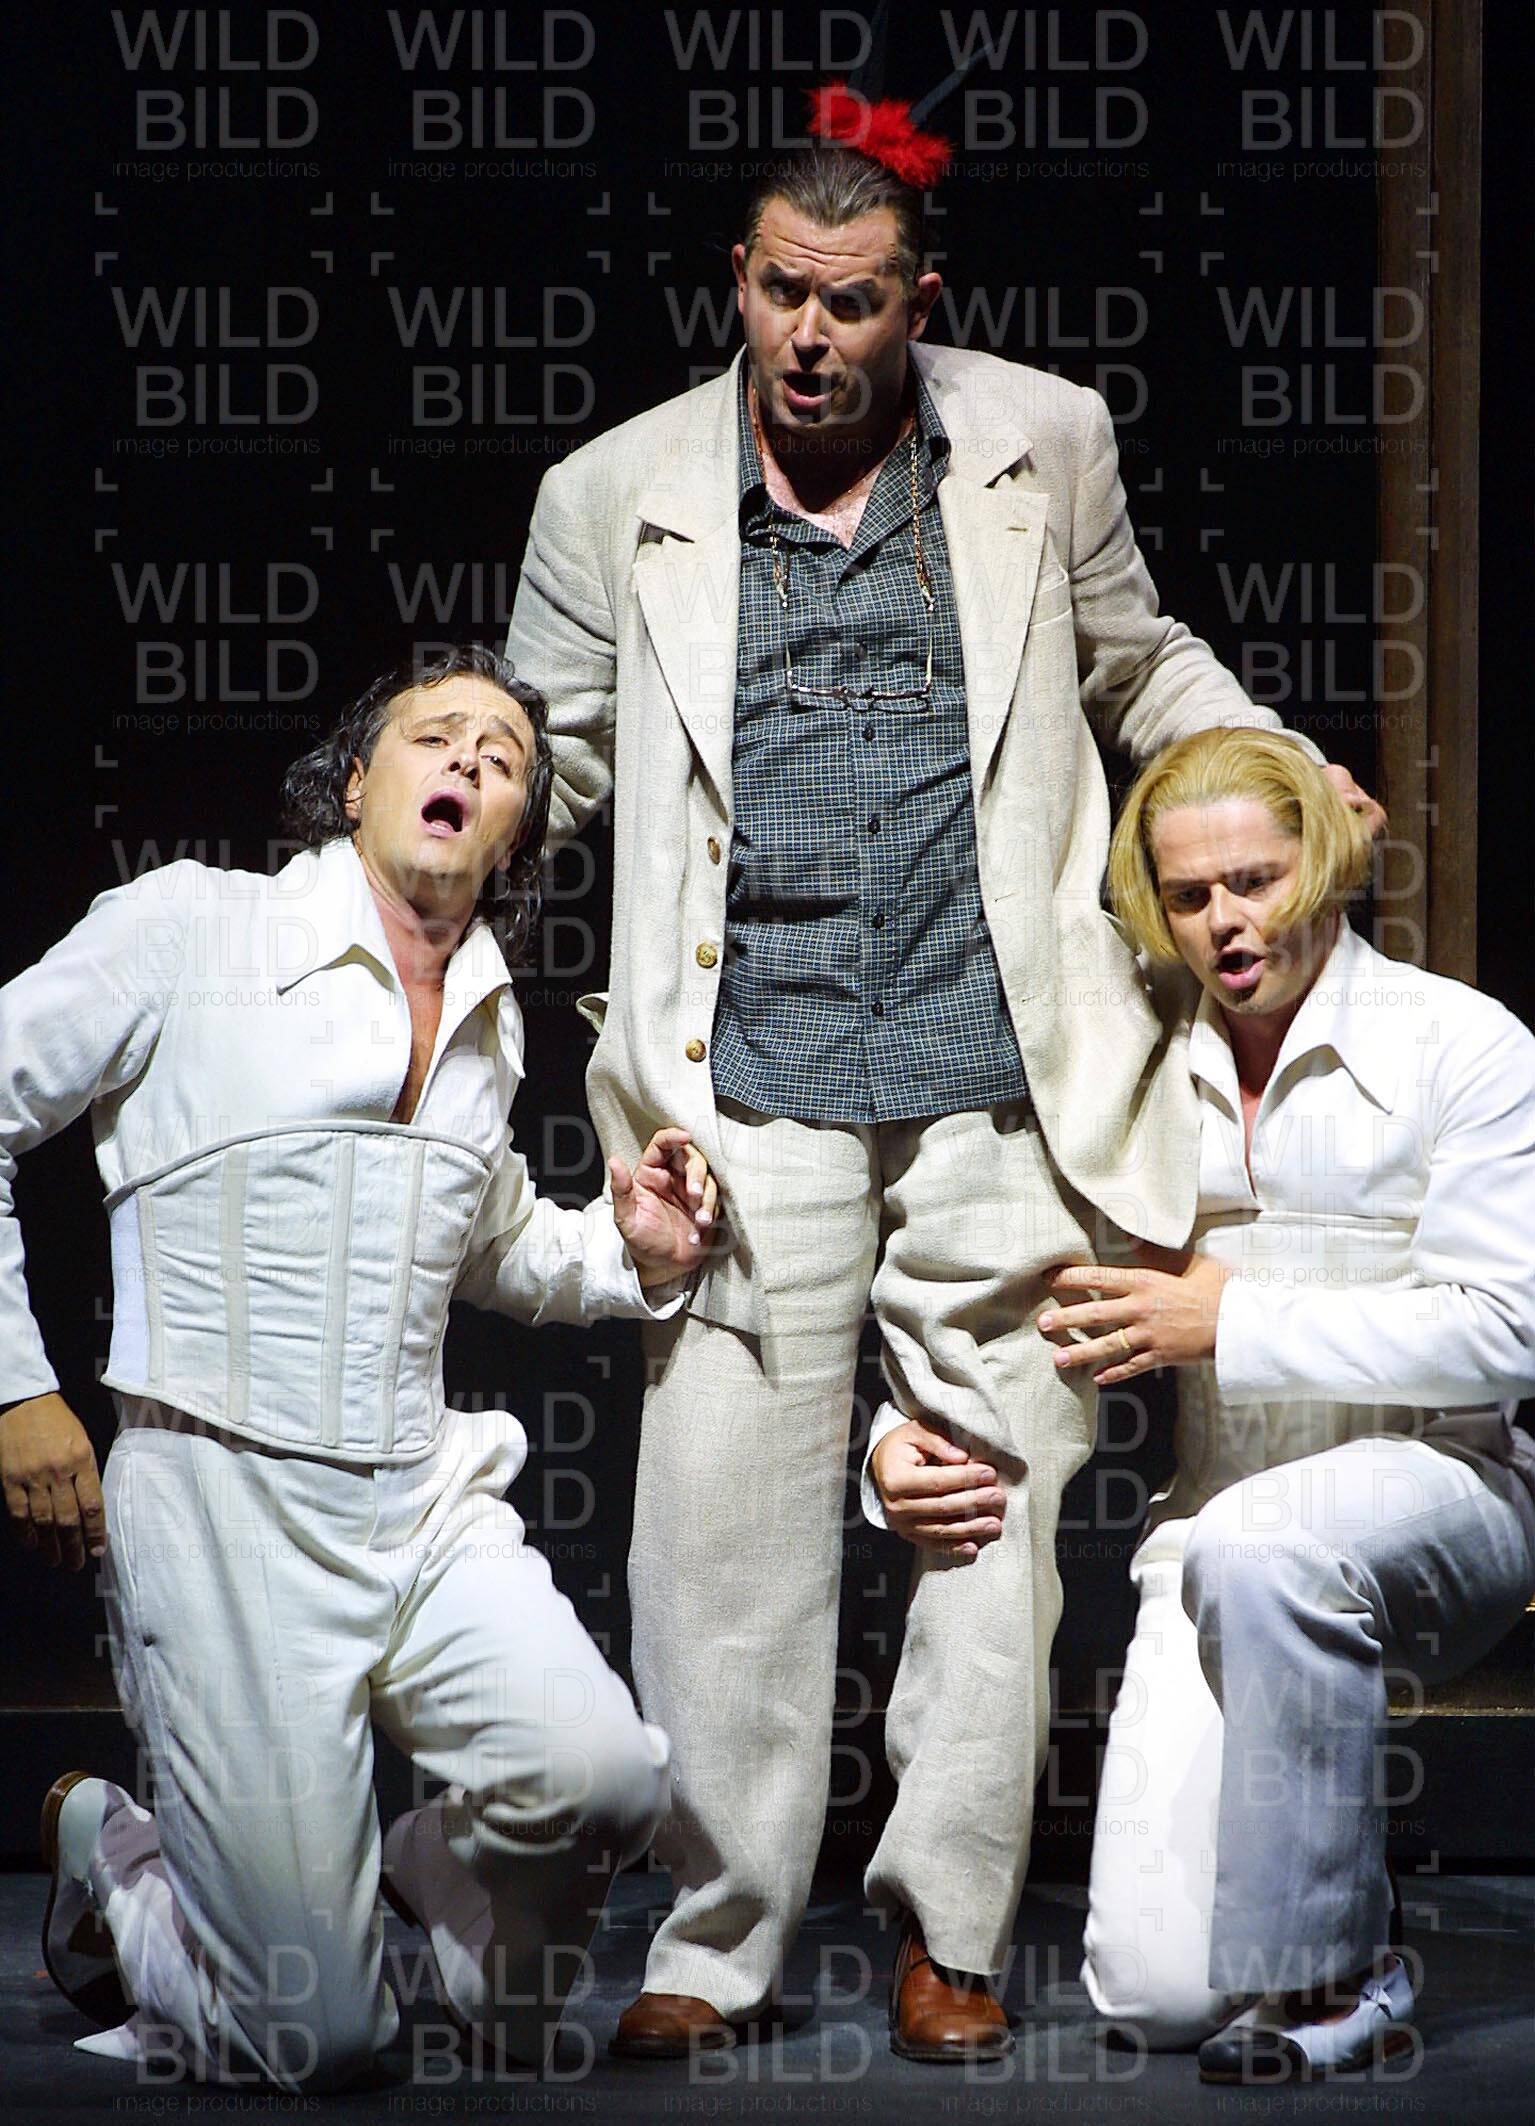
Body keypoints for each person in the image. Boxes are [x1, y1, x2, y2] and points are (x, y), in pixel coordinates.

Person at [506, 91, 1385, 2061]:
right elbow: (550, 757)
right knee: (720, 1531)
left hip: (1000, 1065)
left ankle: (953, 1929)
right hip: (742, 1078)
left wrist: (1267, 764)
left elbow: (1138, 659)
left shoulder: (1038, 441)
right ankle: (716, 1934)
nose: (810, 337)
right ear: (737, 282)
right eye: (780, 294)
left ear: (920, 304)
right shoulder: (612, 492)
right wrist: (418, 850)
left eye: (853, 304)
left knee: (989, 1510)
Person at [0, 643, 721, 2089]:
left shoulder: (490, 1015)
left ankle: (426, 1876)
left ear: (513, 836)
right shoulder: (194, 927)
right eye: (435, 735)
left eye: (504, 759)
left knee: (610, 1781)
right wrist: (16, 1385)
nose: (468, 760)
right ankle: (116, 1847)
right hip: (222, 1503)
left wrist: (631, 1249)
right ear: (353, 784)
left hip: (418, 1498)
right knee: (314, 2037)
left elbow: (489, 1241)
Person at [875, 727, 1535, 2080]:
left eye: (1255, 879)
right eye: (1188, 895)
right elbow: (983, 1269)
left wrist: (1233, 1317)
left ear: (1326, 865)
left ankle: (1330, 1978)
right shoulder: (1130, 1070)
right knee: (1157, 1991)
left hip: (1451, 1487)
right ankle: (1326, 1897)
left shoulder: (1463, 1043)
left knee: (1271, 1546)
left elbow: (1508, 1330)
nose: (1226, 920)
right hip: (1215, 1517)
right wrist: (885, 1437)